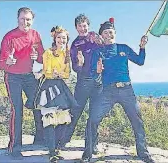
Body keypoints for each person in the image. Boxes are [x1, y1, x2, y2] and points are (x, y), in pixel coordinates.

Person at [85, 18, 155, 163]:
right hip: (107, 92)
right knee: (92, 119)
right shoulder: (98, 52)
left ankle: (143, 153)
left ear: (115, 33)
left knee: (137, 121)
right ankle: (87, 153)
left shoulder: (123, 48)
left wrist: (142, 47)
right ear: (101, 36)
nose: (109, 35)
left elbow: (140, 61)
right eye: (105, 32)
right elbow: (93, 72)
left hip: (126, 90)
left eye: (111, 32)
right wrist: (97, 71)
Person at [0, 7, 44, 159]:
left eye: (28, 19)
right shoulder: (9, 37)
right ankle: (15, 147)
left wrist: (37, 56)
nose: (25, 22)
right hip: (12, 77)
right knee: (17, 110)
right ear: (18, 19)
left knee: (39, 103)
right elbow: (1, 64)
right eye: (23, 19)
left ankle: (40, 138)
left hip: (29, 76)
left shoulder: (35, 35)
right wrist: (7, 62)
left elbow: (42, 59)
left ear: (32, 20)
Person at [59, 14, 103, 157]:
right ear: (76, 28)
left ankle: (92, 144)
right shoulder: (75, 44)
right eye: (79, 26)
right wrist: (80, 63)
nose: (82, 28)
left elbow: (106, 51)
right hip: (83, 82)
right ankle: (64, 139)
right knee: (75, 111)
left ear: (88, 26)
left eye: (84, 25)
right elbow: (75, 68)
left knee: (94, 114)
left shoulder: (95, 38)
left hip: (98, 81)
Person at [35, 25, 78, 163]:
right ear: (55, 38)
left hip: (61, 86)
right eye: (59, 37)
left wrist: (61, 74)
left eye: (64, 38)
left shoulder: (67, 55)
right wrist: (52, 73)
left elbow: (67, 73)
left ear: (67, 40)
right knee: (49, 120)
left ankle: (57, 147)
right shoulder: (48, 53)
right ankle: (51, 151)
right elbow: (45, 71)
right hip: (48, 86)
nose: (61, 40)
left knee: (64, 119)